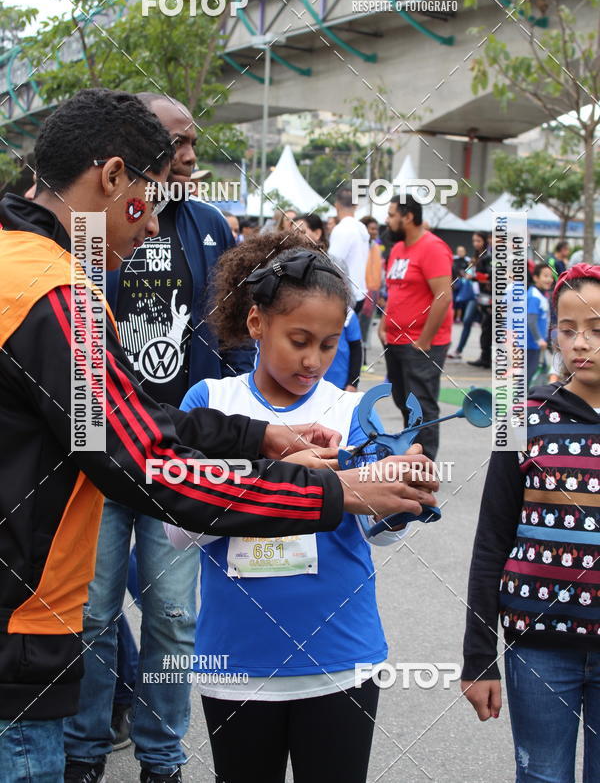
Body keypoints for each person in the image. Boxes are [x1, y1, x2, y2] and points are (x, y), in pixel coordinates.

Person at [0, 89, 433, 783]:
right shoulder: (49, 292)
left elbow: (117, 426)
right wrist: (330, 491)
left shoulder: (25, 271)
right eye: (152, 194)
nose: (151, 228)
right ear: (113, 178)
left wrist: (255, 435)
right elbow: (145, 464)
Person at [164, 233, 439, 783]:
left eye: (330, 344)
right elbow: (179, 531)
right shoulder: (211, 404)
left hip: (341, 658)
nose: (314, 360)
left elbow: (378, 535)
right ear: (256, 323)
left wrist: (403, 500)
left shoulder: (350, 408)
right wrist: (290, 477)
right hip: (238, 661)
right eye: (299, 339)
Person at [65, 90, 257, 781]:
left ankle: (162, 757)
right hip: (104, 453)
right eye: (177, 138)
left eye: (191, 137)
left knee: (174, 616)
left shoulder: (208, 224)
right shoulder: (97, 227)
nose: (189, 151)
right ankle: (84, 751)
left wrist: (238, 418)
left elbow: (237, 332)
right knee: (91, 613)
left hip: (184, 456)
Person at [461, 262, 600, 783]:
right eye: (568, 330)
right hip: (538, 648)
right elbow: (491, 539)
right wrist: (479, 655)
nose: (580, 342)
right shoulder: (522, 417)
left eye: (596, 329)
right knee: (541, 776)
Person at [378, 195, 453, 459]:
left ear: (407, 217)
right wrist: (384, 321)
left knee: (421, 404)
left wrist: (425, 339)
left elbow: (443, 296)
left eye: (391, 215)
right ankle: (413, 451)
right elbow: (395, 290)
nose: (387, 221)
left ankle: (425, 464)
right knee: (403, 400)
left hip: (421, 343)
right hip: (395, 340)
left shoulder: (432, 247)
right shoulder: (397, 249)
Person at [328, 188, 370, 313]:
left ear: (336, 205)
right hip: (359, 292)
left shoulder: (342, 229)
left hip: (346, 295)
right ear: (356, 206)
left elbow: (333, 264)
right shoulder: (361, 228)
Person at [359, 216, 383, 367]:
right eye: (371, 228)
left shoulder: (375, 246)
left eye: (376, 229)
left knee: (366, 328)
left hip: (372, 292)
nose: (374, 232)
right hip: (360, 291)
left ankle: (364, 360)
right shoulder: (360, 246)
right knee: (358, 327)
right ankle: (359, 360)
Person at [467, 231, 493, 369]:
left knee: (489, 328)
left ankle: (487, 358)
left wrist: (476, 277)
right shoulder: (481, 255)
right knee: (486, 327)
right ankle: (485, 357)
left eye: (478, 240)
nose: (476, 243)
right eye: (474, 240)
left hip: (492, 297)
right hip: (482, 295)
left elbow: (490, 276)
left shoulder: (490, 256)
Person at [526, 263, 554, 387]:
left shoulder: (542, 295)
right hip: (530, 345)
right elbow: (531, 321)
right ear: (536, 278)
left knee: (539, 373)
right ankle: (520, 403)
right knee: (528, 375)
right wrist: (539, 340)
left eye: (551, 276)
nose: (549, 279)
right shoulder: (534, 296)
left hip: (537, 345)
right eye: (545, 276)